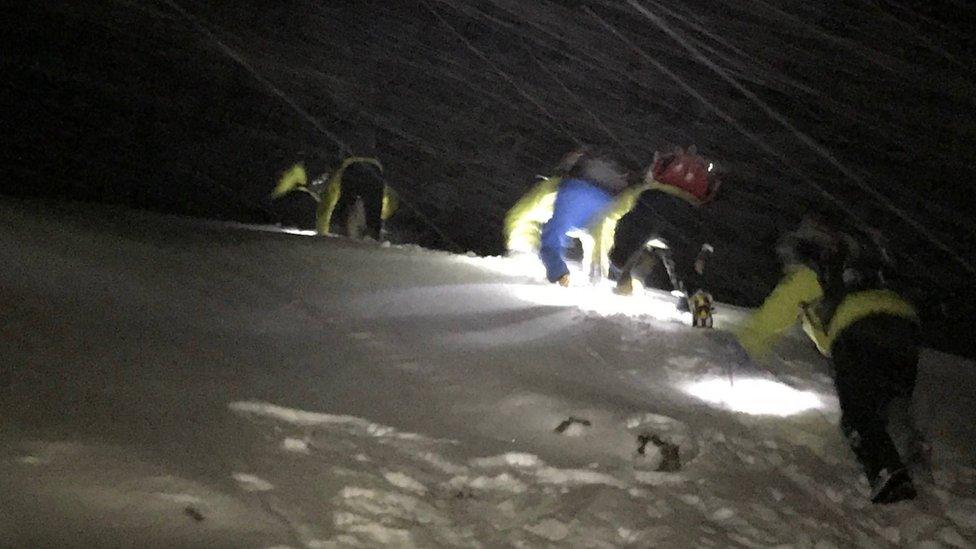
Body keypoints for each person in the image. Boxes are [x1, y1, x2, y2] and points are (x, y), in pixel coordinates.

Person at [736, 215, 928, 504]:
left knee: (858, 413)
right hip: (905, 328)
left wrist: (744, 343)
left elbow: (776, 311)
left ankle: (888, 475)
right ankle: (911, 454)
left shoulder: (813, 271)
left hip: (857, 329)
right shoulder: (870, 267)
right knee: (891, 398)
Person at [504, 148, 645, 285]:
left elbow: (521, 217)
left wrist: (523, 246)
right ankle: (597, 273)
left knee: (548, 224)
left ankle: (526, 251)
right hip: (606, 201)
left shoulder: (552, 193)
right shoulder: (611, 207)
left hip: (574, 190)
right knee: (600, 236)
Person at [609, 146, 719, 310]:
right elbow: (709, 196)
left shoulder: (670, 158)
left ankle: (622, 279)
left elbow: (652, 174)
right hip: (688, 211)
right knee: (685, 265)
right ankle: (700, 310)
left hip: (656, 200)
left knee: (628, 240)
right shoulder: (705, 171)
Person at [272, 156, 397, 239]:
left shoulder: (334, 179)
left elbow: (327, 203)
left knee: (346, 206)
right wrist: (379, 217)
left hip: (354, 169)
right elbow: (391, 199)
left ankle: (348, 233)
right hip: (373, 171)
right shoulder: (331, 180)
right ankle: (370, 235)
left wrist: (322, 231)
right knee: (369, 210)